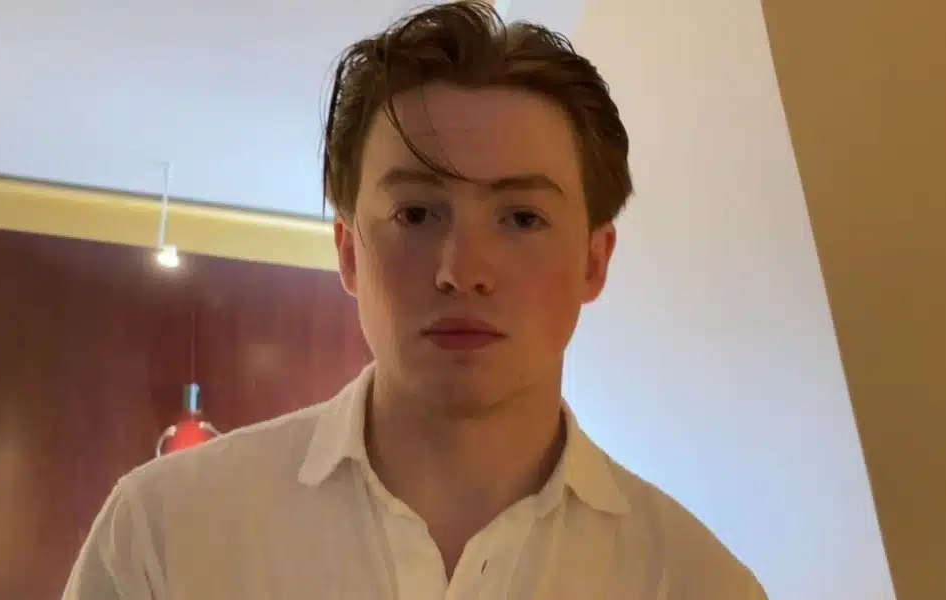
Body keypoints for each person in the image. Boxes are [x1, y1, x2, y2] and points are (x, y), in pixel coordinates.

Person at [63, 1, 768, 598]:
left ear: (594, 260)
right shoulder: (163, 533)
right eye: (417, 214)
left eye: (522, 218)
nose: (462, 271)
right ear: (349, 251)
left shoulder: (699, 584)